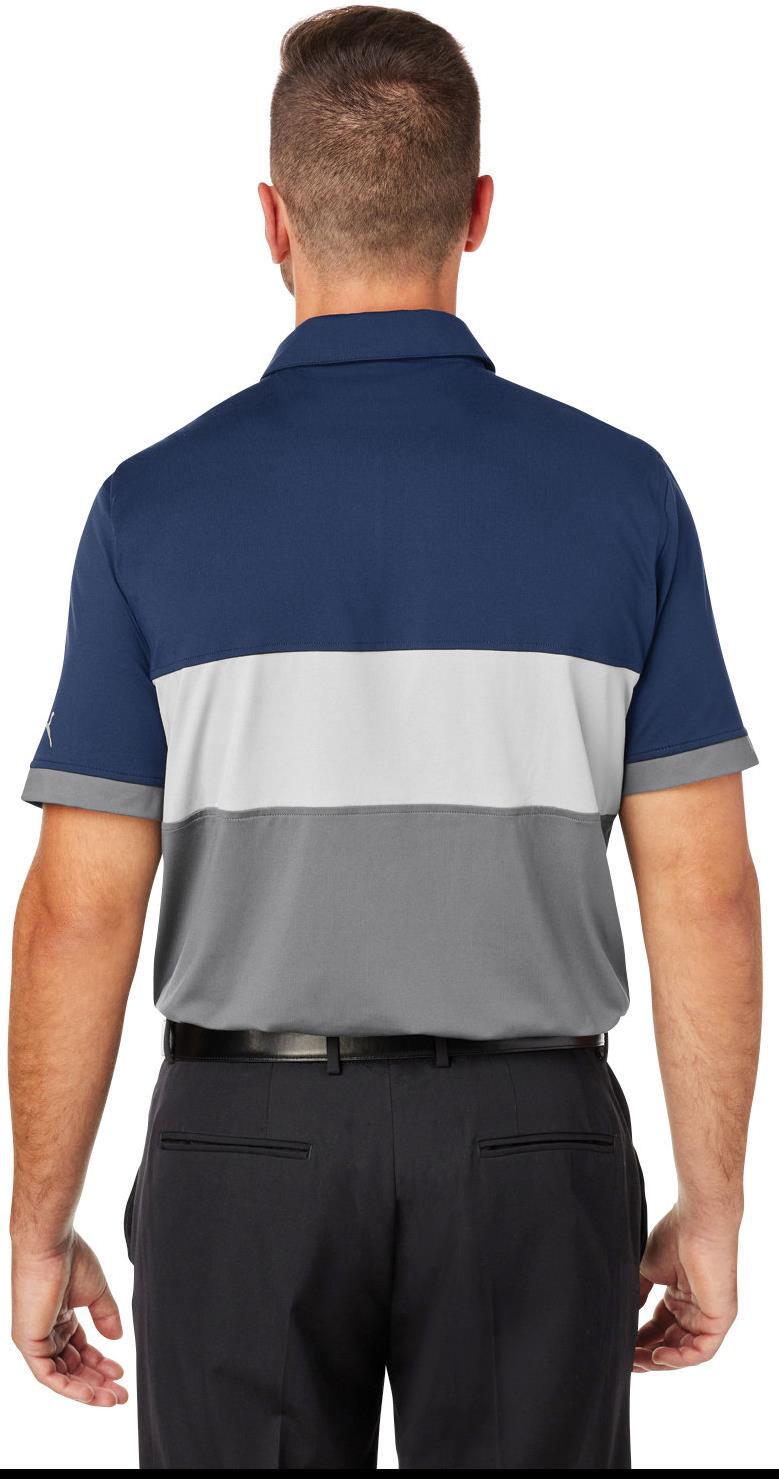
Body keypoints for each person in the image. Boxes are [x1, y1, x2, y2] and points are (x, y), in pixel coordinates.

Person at [9, 5, 762, 1470]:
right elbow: (706, 889)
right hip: (534, 1149)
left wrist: (38, 1229)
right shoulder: (623, 496)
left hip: (240, 1148)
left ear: (271, 221)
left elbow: (77, 910)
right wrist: (717, 1208)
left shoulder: (151, 509)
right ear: (477, 211)